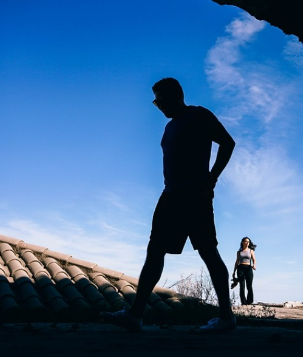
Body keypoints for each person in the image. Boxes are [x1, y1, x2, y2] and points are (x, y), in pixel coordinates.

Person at [101, 77, 236, 332]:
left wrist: (211, 179)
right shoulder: (169, 127)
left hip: (195, 196)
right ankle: (135, 315)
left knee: (209, 252)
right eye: (155, 101)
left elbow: (228, 143)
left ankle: (227, 317)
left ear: (177, 96)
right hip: (170, 196)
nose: (158, 105)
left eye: (160, 100)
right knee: (154, 252)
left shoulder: (199, 115)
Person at [232, 237, 256, 305]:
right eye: (246, 241)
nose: (247, 243)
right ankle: (243, 302)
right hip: (240, 269)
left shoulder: (250, 251)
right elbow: (237, 262)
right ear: (242, 242)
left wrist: (254, 265)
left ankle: (249, 301)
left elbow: (254, 259)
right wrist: (234, 272)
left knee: (249, 286)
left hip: (248, 268)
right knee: (242, 286)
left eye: (248, 242)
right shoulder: (239, 252)